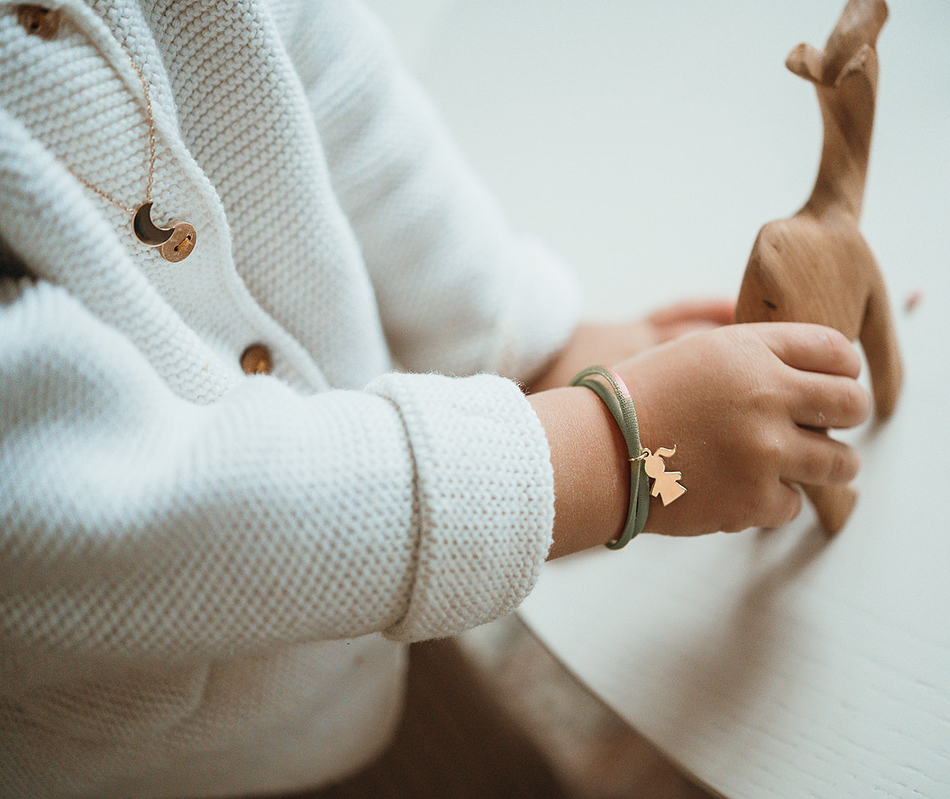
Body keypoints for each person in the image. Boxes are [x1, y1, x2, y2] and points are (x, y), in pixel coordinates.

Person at [0, 0, 871, 797]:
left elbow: (332, 88)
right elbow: (79, 511)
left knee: (505, 773)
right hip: (179, 757)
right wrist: (607, 451)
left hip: (372, 635)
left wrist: (515, 335)